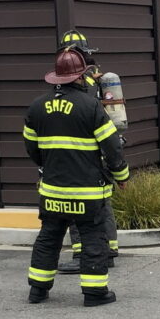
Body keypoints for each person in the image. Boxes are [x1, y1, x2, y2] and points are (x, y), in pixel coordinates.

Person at [23, 48, 130, 307]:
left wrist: (49, 165)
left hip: (52, 190)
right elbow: (111, 146)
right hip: (87, 192)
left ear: (56, 78)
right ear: (81, 77)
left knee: (49, 236)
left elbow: (31, 148)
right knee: (93, 237)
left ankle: (37, 290)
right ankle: (94, 293)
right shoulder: (90, 105)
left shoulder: (36, 107)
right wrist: (122, 176)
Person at [52, 30, 121, 275]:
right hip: (102, 147)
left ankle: (82, 253)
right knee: (103, 202)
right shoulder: (98, 77)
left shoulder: (82, 82)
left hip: (83, 152)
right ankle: (108, 249)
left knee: (76, 203)